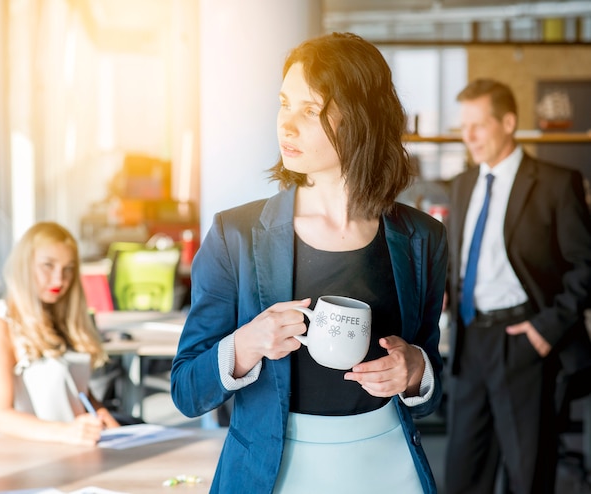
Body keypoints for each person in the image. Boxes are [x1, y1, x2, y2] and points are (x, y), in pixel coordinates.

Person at [170, 32, 448, 493]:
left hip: (385, 463)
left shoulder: (422, 237)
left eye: (311, 110)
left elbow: (427, 378)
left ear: (359, 120)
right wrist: (246, 344)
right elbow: (186, 390)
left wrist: (415, 370)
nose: (287, 125)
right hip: (272, 471)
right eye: (284, 104)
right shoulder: (234, 235)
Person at [444, 79, 591, 494]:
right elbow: (458, 261)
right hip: (469, 343)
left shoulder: (556, 183)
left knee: (527, 477)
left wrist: (546, 331)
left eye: (478, 124)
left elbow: (587, 265)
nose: (467, 135)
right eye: (463, 126)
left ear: (508, 122)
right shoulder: (462, 185)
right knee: (461, 475)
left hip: (524, 342)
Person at [0, 221, 121, 445]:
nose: (59, 279)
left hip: (81, 448)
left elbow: (75, 391)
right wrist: (67, 432)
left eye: (68, 269)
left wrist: (99, 412)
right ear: (24, 266)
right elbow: (1, 416)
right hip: (35, 458)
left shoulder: (64, 321)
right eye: (48, 265)